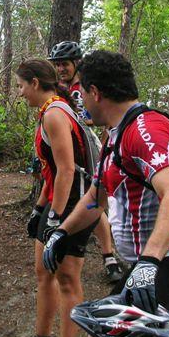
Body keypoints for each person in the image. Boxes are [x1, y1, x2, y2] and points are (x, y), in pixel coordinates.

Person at [42, 50, 169, 337]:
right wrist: (61, 232)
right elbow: (95, 199)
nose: (79, 100)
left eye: (81, 93)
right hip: (147, 268)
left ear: (95, 92)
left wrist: (149, 261)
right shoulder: (115, 136)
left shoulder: (145, 129)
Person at [7, 58, 100, 337]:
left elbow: (68, 170)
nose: (19, 93)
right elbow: (51, 169)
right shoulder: (50, 110)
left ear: (34, 83)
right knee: (42, 271)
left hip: (78, 203)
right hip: (60, 198)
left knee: (66, 279)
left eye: (20, 85)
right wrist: (39, 208)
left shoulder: (56, 114)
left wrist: (57, 220)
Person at [47, 41, 123, 283]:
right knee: (89, 198)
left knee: (94, 198)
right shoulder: (59, 89)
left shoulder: (86, 87)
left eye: (64, 65)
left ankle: (110, 256)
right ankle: (109, 256)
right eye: (57, 65)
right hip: (71, 150)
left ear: (76, 63)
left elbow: (102, 117)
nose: (61, 69)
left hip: (91, 149)